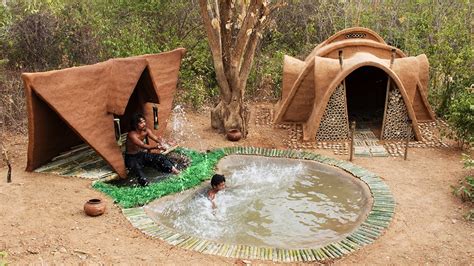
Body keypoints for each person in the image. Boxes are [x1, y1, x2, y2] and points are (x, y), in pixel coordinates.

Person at [125, 113, 179, 186]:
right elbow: (143, 146)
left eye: (144, 121)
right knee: (138, 170)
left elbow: (156, 138)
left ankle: (176, 172)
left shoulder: (146, 130)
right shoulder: (132, 135)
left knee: (160, 157)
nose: (144, 124)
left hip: (140, 154)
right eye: (141, 122)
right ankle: (147, 186)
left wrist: (165, 143)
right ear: (135, 125)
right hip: (131, 157)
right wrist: (157, 147)